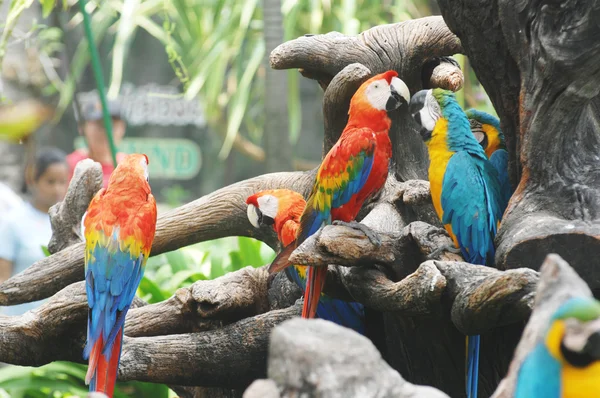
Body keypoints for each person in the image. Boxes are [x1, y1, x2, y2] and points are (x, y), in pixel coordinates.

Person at [0, 147, 69, 315]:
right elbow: (2, 279)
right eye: (50, 181)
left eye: (62, 182)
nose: (57, 189)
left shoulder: (73, 222)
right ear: (33, 180)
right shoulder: (13, 221)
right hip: (19, 322)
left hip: (61, 322)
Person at [67, 96, 127, 188]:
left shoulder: (129, 168)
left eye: (112, 126)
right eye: (100, 125)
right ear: (82, 128)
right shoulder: (70, 166)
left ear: (122, 128)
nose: (106, 132)